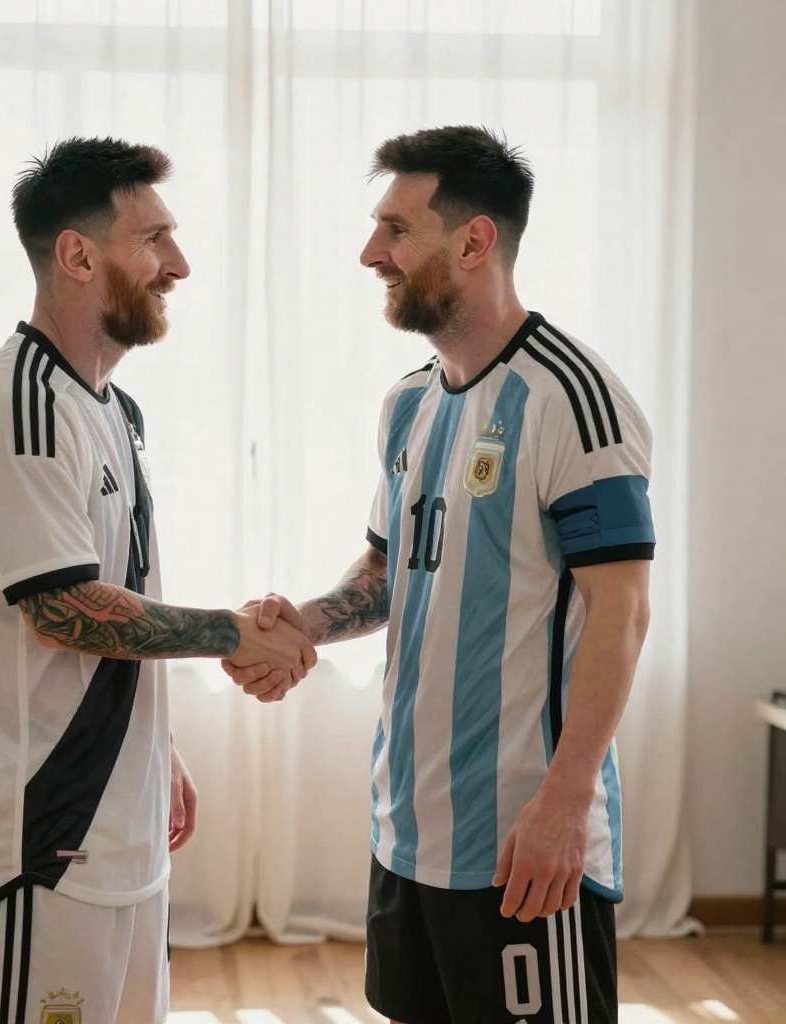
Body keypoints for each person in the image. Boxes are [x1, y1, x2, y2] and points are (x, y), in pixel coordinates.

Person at [225, 125, 654, 1024]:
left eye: (395, 229)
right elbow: (389, 573)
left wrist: (565, 805)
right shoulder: (410, 403)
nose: (369, 253)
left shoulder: (574, 399)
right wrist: (304, 621)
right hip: (406, 836)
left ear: (473, 240)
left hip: (521, 844)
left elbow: (622, 614)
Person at [0, 136, 316, 1024]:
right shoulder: (16, 407)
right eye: (154, 239)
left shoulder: (109, 405)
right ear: (76, 255)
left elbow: (108, 591)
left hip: (121, 831)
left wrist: (156, 747)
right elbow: (63, 609)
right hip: (41, 847)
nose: (178, 264)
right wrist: (235, 632)